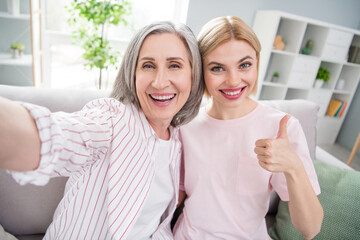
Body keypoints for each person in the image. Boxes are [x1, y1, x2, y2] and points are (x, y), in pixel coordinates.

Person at [0, 21, 204, 239]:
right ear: (132, 74)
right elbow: (56, 136)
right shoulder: (112, 120)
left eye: (174, 65)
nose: (160, 82)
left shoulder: (177, 140)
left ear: (193, 75)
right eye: (148, 65)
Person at [173, 16, 323, 240]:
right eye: (217, 68)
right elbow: (177, 195)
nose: (234, 81)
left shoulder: (281, 127)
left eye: (244, 65)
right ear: (200, 71)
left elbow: (310, 229)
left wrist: (293, 166)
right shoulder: (185, 124)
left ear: (257, 63)